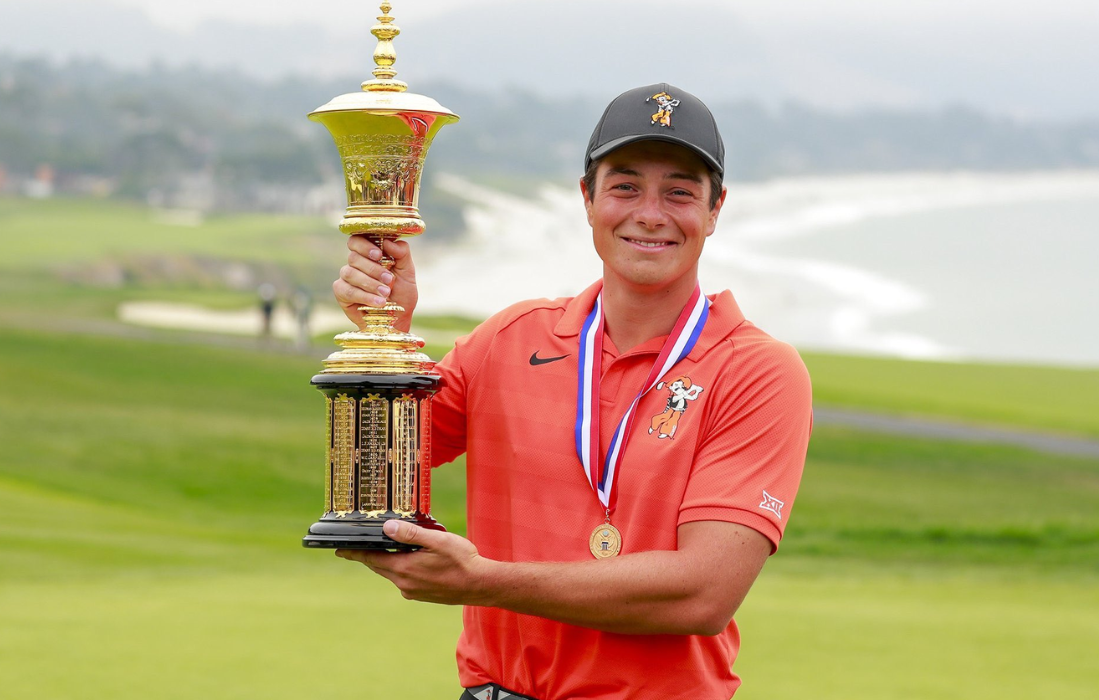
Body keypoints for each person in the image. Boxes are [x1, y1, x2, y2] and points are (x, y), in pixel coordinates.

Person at [331, 83, 813, 700]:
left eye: (680, 191)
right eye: (625, 186)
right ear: (587, 199)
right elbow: (375, 476)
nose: (650, 212)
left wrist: (482, 580)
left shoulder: (756, 370)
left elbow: (703, 593)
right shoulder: (508, 339)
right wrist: (387, 338)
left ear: (715, 210)